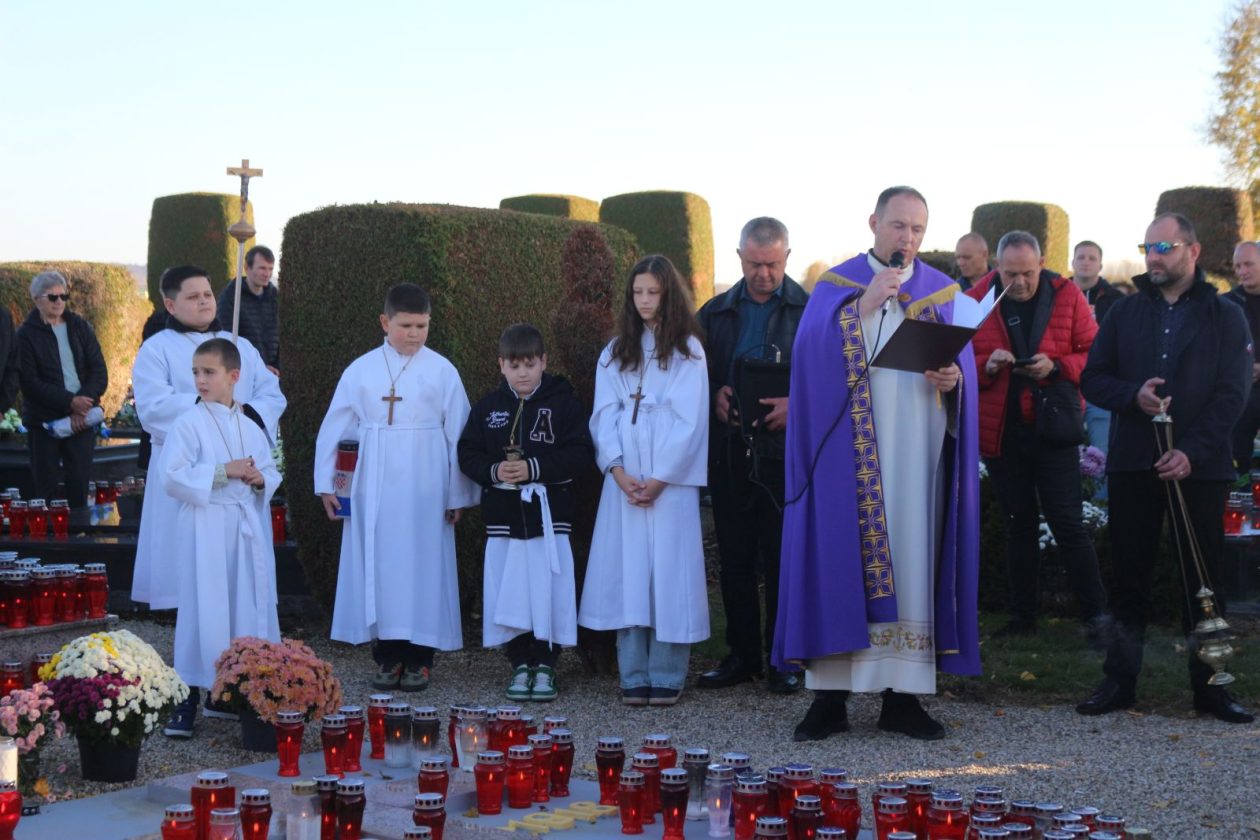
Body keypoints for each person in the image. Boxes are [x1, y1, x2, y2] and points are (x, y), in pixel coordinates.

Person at [774, 186, 981, 742]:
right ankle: (829, 698)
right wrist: (862, 310)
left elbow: (962, 371)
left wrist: (953, 381)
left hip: (916, 453)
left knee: (911, 557)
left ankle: (902, 697)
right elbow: (808, 360)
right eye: (898, 226)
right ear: (874, 223)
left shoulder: (942, 291)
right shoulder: (836, 286)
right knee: (840, 554)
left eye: (917, 229)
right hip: (849, 458)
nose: (907, 238)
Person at [1077, 212, 1254, 724]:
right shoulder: (1125, 311)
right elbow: (1093, 378)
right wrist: (1132, 395)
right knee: (1128, 577)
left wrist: (1190, 451)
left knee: (1203, 581)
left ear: (1192, 252)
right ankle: (1119, 680)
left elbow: (1233, 394)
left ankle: (1212, 687)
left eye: (1163, 247)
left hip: (1201, 468)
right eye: (1147, 247)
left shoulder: (1226, 316)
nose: (1153, 257)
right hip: (1135, 462)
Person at [315, 283, 479, 692]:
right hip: (373, 485)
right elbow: (337, 426)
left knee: (425, 565)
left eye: (422, 325)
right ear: (385, 322)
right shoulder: (361, 370)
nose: (414, 334)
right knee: (380, 564)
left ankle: (420, 658)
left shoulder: (442, 370)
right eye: (406, 325)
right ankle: (388, 655)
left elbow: (459, 434)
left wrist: (458, 494)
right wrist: (329, 484)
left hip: (427, 484)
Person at [578, 255, 710, 707]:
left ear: (669, 295)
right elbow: (604, 414)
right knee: (628, 570)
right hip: (625, 481)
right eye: (638, 292)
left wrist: (659, 478)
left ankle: (668, 671)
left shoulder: (688, 352)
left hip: (667, 484)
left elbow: (690, 421)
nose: (645, 301)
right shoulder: (616, 351)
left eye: (653, 292)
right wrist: (616, 469)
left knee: (669, 572)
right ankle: (632, 670)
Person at [966, 231, 1107, 640]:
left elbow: (1094, 354)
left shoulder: (1067, 295)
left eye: (1028, 273)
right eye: (1010, 274)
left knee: (1069, 524)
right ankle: (1022, 619)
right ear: (997, 267)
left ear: (1042, 264)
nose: (1020, 282)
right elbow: (955, 359)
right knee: (1019, 526)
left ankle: (1098, 619)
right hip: (1003, 431)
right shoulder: (975, 299)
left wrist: (1056, 367)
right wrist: (987, 365)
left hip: (1053, 429)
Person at [695, 217, 808, 695]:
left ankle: (783, 658)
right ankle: (741, 656)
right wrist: (712, 396)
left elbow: (835, 377)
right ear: (739, 257)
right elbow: (690, 373)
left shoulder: (810, 310)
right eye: (755, 264)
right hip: (730, 450)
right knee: (736, 557)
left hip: (785, 455)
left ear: (788, 258)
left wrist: (797, 406)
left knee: (782, 557)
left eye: (773, 264)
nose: (764, 274)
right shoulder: (712, 313)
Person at [132, 266, 286, 615]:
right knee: (190, 570)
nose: (204, 302)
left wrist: (245, 415)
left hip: (241, 463)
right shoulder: (157, 349)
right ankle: (185, 615)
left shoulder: (239, 346)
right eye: (193, 296)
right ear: (171, 305)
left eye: (207, 294)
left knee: (242, 574)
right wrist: (211, 410)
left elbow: (271, 394)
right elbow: (153, 407)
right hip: (190, 465)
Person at [458, 323, 594, 702]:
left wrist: (535, 468)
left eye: (530, 365)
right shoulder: (487, 409)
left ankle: (546, 664)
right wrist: (494, 471)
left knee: (548, 593)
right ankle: (520, 663)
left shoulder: (563, 404)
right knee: (510, 594)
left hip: (548, 523)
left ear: (544, 362)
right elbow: (467, 453)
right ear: (501, 365)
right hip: (504, 522)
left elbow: (581, 453)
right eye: (514, 366)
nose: (523, 373)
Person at [162, 338, 281, 737]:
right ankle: (186, 696)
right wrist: (221, 471)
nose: (200, 380)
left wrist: (260, 478)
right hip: (206, 526)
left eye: (209, 372)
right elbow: (172, 477)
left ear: (234, 376)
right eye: (196, 372)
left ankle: (231, 691)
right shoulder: (188, 423)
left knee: (243, 605)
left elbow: (270, 471)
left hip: (244, 527)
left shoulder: (250, 426)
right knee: (203, 607)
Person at [16, 271, 108, 508]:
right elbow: (30, 383)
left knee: (79, 483)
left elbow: (98, 370)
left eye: (63, 296)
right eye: (52, 297)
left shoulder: (80, 327)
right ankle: (46, 532)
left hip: (82, 418)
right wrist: (70, 403)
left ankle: (79, 530)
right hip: (44, 422)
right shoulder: (25, 335)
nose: (59, 302)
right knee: (44, 486)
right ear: (36, 299)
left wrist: (82, 404)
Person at [1071, 240, 1124, 457]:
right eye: (1081, 257)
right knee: (1065, 455)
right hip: (1067, 383)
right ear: (1072, 262)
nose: (1086, 262)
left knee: (1101, 453)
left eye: (1092, 258)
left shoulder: (1116, 300)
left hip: (1101, 384)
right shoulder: (1056, 294)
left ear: (1100, 265)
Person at [217, 245, 280, 375]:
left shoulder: (275, 297)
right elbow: (227, 338)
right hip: (244, 371)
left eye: (270, 269)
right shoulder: (231, 297)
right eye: (262, 268)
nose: (267, 274)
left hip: (274, 373)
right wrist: (258, 367)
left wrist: (278, 366)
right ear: (247, 268)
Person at [1225, 240, 1260, 474]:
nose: (1242, 271)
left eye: (1248, 264)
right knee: (1236, 456)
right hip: (1240, 395)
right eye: (1238, 266)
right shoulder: (1227, 304)